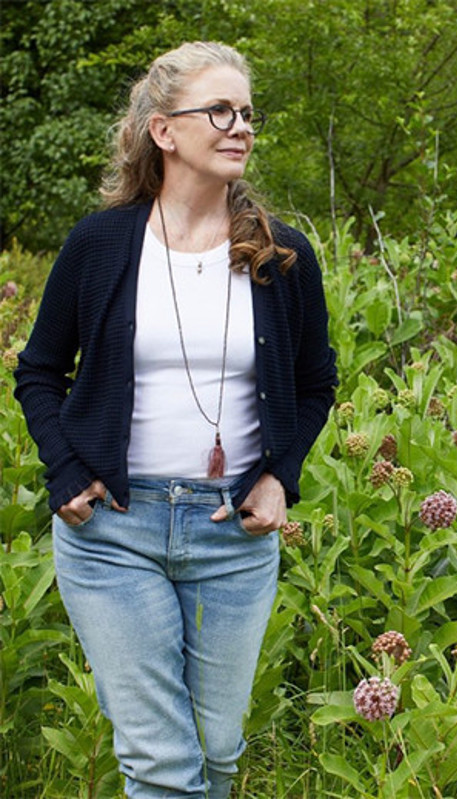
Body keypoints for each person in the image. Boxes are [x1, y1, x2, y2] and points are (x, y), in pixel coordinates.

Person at [14, 41, 337, 798]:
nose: (241, 127)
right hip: (113, 533)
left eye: (248, 113)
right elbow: (39, 370)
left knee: (216, 754)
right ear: (164, 131)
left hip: (233, 535)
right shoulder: (100, 245)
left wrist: (279, 478)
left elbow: (316, 382)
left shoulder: (282, 253)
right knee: (162, 764)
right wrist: (65, 469)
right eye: (219, 111)